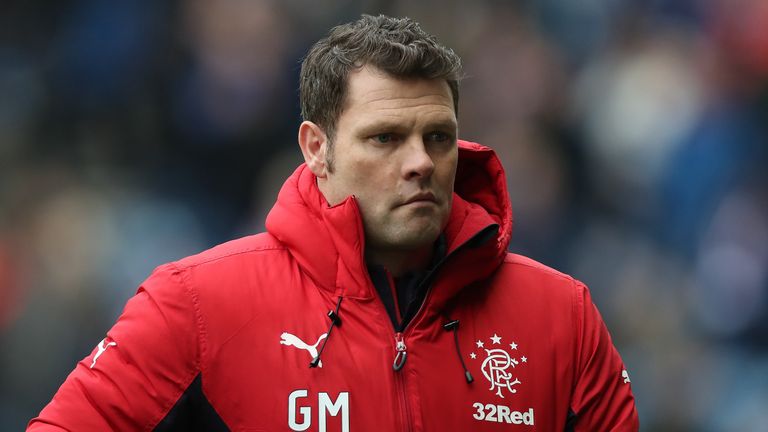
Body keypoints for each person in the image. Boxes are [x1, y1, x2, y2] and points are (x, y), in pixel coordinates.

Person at [28, 14, 639, 431]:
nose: (420, 161)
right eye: (385, 138)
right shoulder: (196, 305)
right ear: (316, 149)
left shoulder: (562, 316)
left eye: (438, 137)